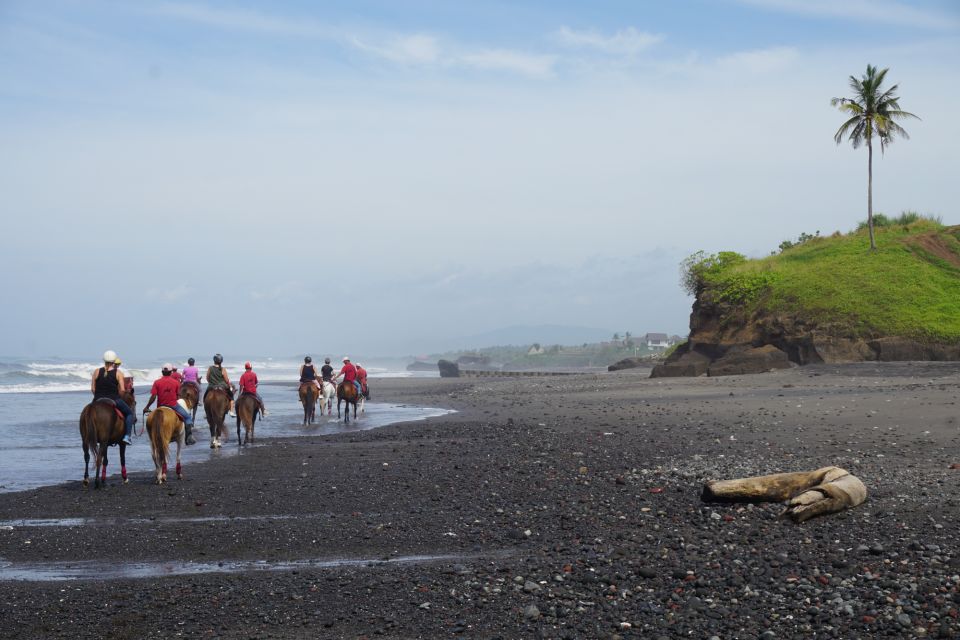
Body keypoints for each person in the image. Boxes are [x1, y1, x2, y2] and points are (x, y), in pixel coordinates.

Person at [91, 350, 136, 445]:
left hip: (97, 399)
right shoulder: (118, 373)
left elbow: (93, 389)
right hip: (114, 399)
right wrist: (118, 395)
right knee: (129, 414)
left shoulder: (96, 371)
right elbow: (122, 390)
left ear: (104, 360)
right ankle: (127, 436)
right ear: (114, 361)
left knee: (88, 413)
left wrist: (99, 395)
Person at [142, 364, 194, 441]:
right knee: (188, 417)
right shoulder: (176, 383)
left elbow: (153, 397)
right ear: (171, 372)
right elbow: (178, 395)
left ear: (162, 372)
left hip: (160, 406)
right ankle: (189, 438)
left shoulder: (157, 382)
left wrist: (147, 407)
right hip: (173, 405)